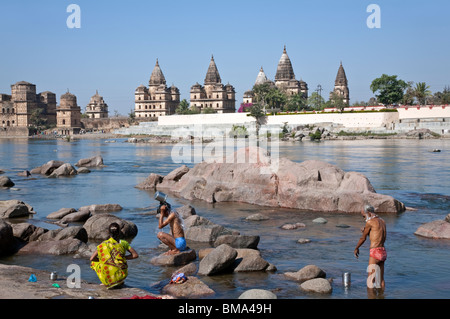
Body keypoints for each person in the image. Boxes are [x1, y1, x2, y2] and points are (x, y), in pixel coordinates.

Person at [90, 222, 139, 289]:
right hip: (121, 276)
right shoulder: (123, 243)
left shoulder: (103, 244)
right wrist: (123, 257)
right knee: (119, 264)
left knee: (94, 263)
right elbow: (135, 255)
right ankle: (119, 281)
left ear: (108, 232)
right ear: (119, 232)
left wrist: (103, 260)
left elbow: (92, 258)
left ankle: (106, 281)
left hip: (108, 278)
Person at [354, 204, 387, 292]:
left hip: (375, 252)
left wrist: (356, 248)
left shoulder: (369, 222)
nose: (364, 218)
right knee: (381, 280)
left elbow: (363, 238)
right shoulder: (382, 221)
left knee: (370, 280)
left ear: (368, 213)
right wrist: (368, 232)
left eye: (364, 216)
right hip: (383, 252)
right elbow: (379, 237)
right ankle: (382, 296)